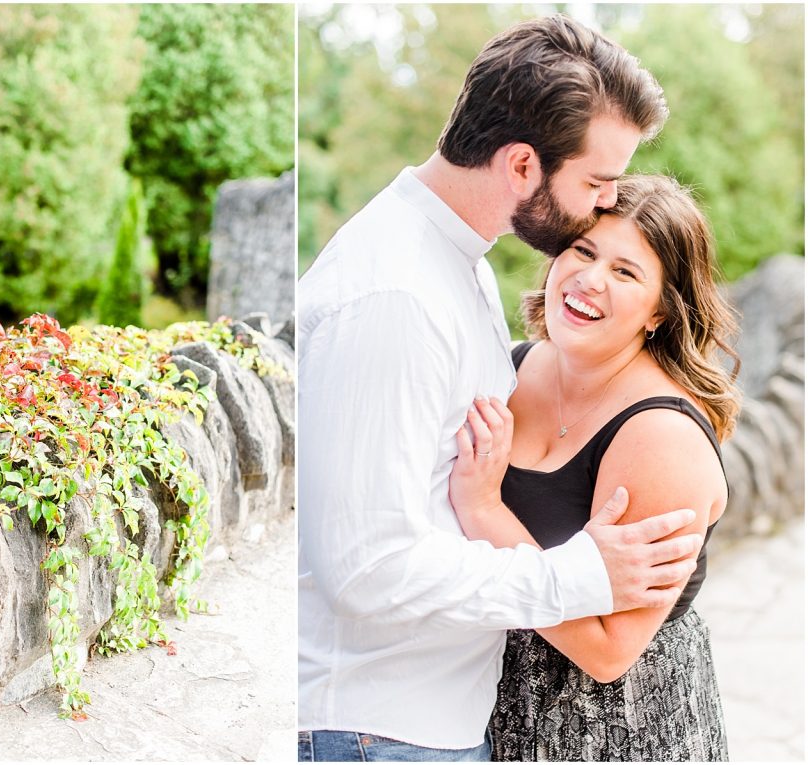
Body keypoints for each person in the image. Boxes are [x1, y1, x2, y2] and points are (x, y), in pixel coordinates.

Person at [299, 14, 701, 762]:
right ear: (522, 166)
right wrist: (574, 575)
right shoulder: (396, 294)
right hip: (376, 729)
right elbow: (365, 566)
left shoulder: (459, 265)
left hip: (422, 722)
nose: (607, 204)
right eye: (595, 183)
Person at [449, 174, 739, 761]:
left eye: (625, 272)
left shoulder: (661, 435)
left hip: (615, 729)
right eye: (583, 251)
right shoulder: (511, 369)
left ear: (660, 310)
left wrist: (482, 509)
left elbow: (610, 650)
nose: (589, 279)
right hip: (477, 706)